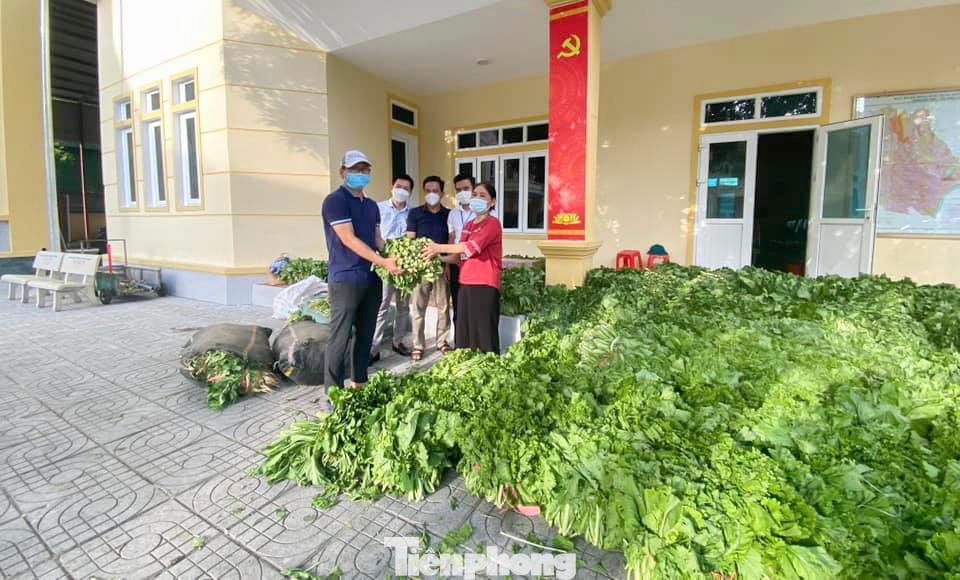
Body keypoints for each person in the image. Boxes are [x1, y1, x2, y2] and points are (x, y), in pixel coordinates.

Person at [322, 150, 401, 398]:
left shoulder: (371, 206)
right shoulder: (335, 201)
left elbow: (377, 239)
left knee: (365, 335)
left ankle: (359, 383)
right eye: (355, 169)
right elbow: (348, 238)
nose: (361, 174)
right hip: (346, 278)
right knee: (340, 336)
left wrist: (398, 255)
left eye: (365, 170)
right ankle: (333, 392)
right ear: (342, 172)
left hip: (370, 278)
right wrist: (383, 261)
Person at [423, 181, 502, 354]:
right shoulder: (469, 225)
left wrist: (438, 247)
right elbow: (457, 256)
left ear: (492, 202)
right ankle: (467, 362)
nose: (477, 198)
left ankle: (489, 363)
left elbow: (469, 248)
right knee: (465, 329)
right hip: (465, 281)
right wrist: (436, 258)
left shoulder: (492, 223)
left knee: (483, 330)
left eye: (483, 196)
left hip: (485, 283)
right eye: (475, 195)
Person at [370, 174, 415, 363]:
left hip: (405, 267)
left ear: (410, 192)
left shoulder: (412, 212)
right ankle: (374, 348)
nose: (401, 190)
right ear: (392, 187)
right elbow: (374, 235)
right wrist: (385, 258)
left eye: (406, 188)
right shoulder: (378, 208)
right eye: (399, 186)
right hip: (385, 264)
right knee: (382, 305)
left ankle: (398, 341)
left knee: (403, 306)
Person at [406, 176, 452, 361]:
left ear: (442, 193)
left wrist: (447, 264)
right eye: (428, 191)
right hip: (421, 268)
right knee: (418, 307)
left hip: (440, 266)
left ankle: (442, 341)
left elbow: (451, 241)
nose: (431, 194)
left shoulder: (449, 214)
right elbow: (410, 240)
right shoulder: (415, 213)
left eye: (435, 191)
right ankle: (418, 344)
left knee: (443, 306)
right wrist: (412, 265)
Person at [447, 174, 475, 326]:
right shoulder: (453, 213)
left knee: (474, 304)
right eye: (458, 190)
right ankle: (459, 338)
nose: (462, 193)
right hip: (456, 264)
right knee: (458, 304)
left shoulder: (483, 212)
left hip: (475, 264)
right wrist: (448, 264)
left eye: (466, 188)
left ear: (473, 189)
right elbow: (451, 238)